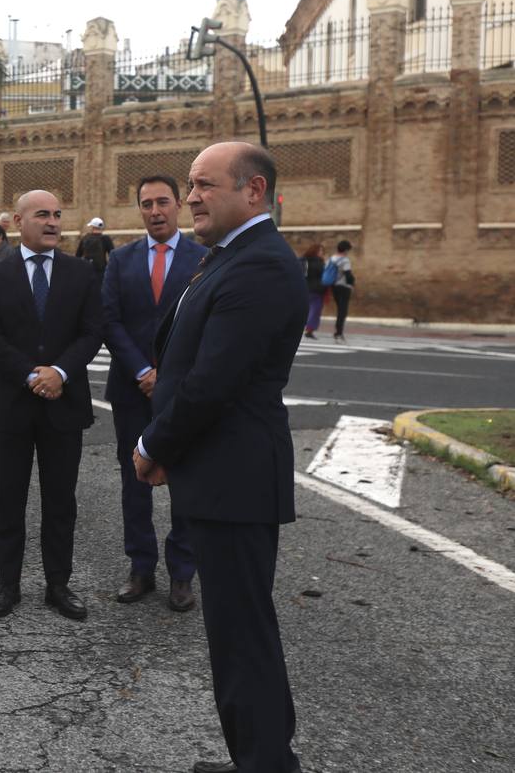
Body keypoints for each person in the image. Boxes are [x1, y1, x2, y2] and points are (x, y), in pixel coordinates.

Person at [133, 142, 306, 773]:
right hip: (220, 472)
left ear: (253, 191)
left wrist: (154, 444)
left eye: (206, 185)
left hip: (234, 475)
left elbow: (214, 381)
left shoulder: (258, 265)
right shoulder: (229, 256)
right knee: (237, 632)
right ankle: (259, 757)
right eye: (191, 185)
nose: (193, 196)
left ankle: (264, 764)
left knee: (242, 633)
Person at [0, 189, 102, 620]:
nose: (52, 222)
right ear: (17, 220)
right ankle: (7, 584)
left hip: (64, 403)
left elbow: (91, 333)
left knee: (60, 500)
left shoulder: (80, 272)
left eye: (58, 215)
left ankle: (58, 585)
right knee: (8, 498)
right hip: (10, 404)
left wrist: (59, 372)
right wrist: (32, 374)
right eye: (42, 214)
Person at [101, 174, 205, 612]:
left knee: (186, 481)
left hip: (183, 393)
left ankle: (182, 573)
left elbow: (206, 325)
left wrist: (168, 375)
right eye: (147, 204)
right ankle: (140, 567)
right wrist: (143, 369)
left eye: (163, 202)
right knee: (134, 481)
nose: (155, 211)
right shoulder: (120, 260)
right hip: (131, 387)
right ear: (139, 209)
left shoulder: (205, 259)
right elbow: (110, 320)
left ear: (178, 205)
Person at [327, 239, 355, 342]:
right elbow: (348, 274)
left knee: (339, 309)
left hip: (334, 286)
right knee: (342, 311)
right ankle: (338, 333)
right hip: (343, 287)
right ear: (346, 250)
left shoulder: (331, 258)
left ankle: (338, 331)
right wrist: (351, 284)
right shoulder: (345, 260)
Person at [301, 243, 327, 339]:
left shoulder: (303, 261)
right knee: (315, 310)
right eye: (321, 251)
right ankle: (309, 329)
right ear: (315, 251)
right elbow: (324, 276)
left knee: (306, 310)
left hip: (304, 288)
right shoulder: (319, 263)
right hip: (317, 289)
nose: (322, 253)